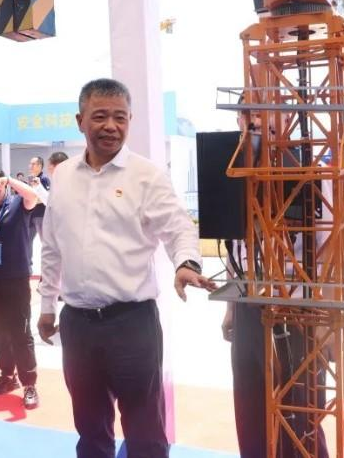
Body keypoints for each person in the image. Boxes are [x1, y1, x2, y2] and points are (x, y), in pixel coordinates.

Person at [37, 78, 216, 458]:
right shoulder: (63, 175)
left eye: (120, 117)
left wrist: (185, 263)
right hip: (78, 324)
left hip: (132, 324)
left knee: (145, 430)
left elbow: (178, 227)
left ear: (130, 120)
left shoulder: (146, 175)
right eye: (100, 116)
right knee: (89, 427)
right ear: (80, 121)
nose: (111, 126)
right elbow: (51, 246)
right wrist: (47, 306)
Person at [222, 93, 329, 458]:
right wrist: (231, 309)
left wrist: (326, 324)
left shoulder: (313, 171)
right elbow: (237, 248)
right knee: (250, 407)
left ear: (286, 119)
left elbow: (330, 250)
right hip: (249, 309)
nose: (255, 120)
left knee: (302, 415)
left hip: (300, 313)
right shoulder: (233, 170)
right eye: (247, 113)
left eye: (265, 112)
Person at [0, 167, 41, 409]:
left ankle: (29, 383)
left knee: (21, 331)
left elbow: (33, 195)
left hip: (16, 277)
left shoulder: (18, 203)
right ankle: (7, 374)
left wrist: (10, 180)